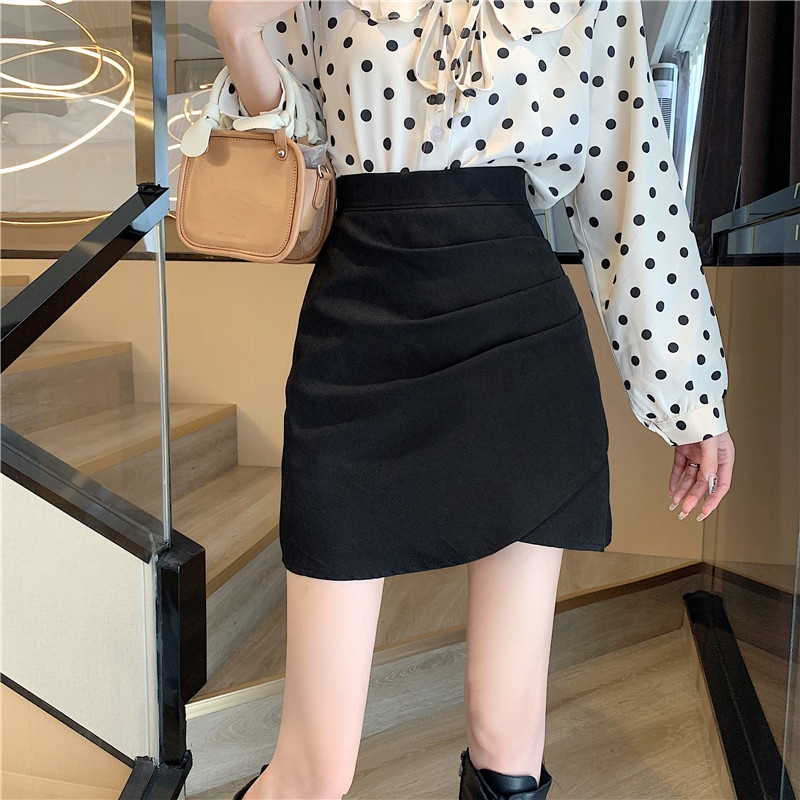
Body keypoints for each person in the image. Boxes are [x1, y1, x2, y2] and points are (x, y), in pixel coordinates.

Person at [206, 1, 737, 798]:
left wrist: (691, 397)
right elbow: (297, 149)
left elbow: (633, 193)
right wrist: (236, 34)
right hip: (358, 340)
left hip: (521, 349)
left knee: (505, 740)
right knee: (313, 768)